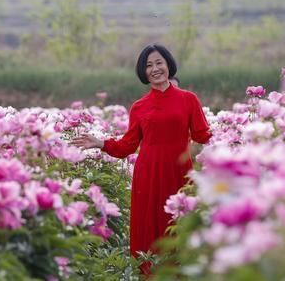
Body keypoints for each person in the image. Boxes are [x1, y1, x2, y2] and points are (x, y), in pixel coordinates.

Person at [71, 44, 211, 276]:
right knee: (148, 231)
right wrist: (101, 143)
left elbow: (202, 135)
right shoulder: (139, 107)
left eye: (159, 63)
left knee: (177, 227)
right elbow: (127, 145)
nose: (155, 69)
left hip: (179, 176)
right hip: (148, 177)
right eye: (149, 65)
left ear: (168, 65)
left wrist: (239, 141)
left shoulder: (188, 100)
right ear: (143, 72)